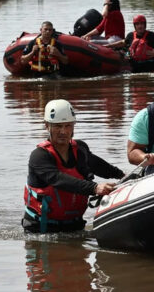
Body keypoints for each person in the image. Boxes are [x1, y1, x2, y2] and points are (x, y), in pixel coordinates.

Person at [23, 99, 124, 233]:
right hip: (41, 230)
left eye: (68, 126)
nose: (63, 131)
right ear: (47, 125)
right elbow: (58, 179)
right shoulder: (39, 156)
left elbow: (101, 167)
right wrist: (95, 188)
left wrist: (124, 176)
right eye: (58, 126)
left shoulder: (80, 149)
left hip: (75, 227)